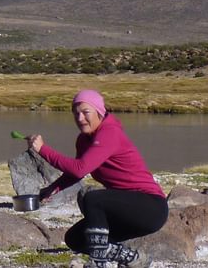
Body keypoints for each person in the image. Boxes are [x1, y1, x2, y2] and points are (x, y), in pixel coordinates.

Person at [26, 89, 167, 268]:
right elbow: (78, 170)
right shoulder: (84, 140)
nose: (80, 118)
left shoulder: (110, 133)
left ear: (99, 112)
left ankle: (98, 262)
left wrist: (42, 150)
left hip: (150, 207)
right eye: (76, 113)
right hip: (123, 209)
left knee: (93, 198)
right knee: (75, 239)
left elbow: (79, 169)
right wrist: (54, 188)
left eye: (86, 112)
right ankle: (133, 258)